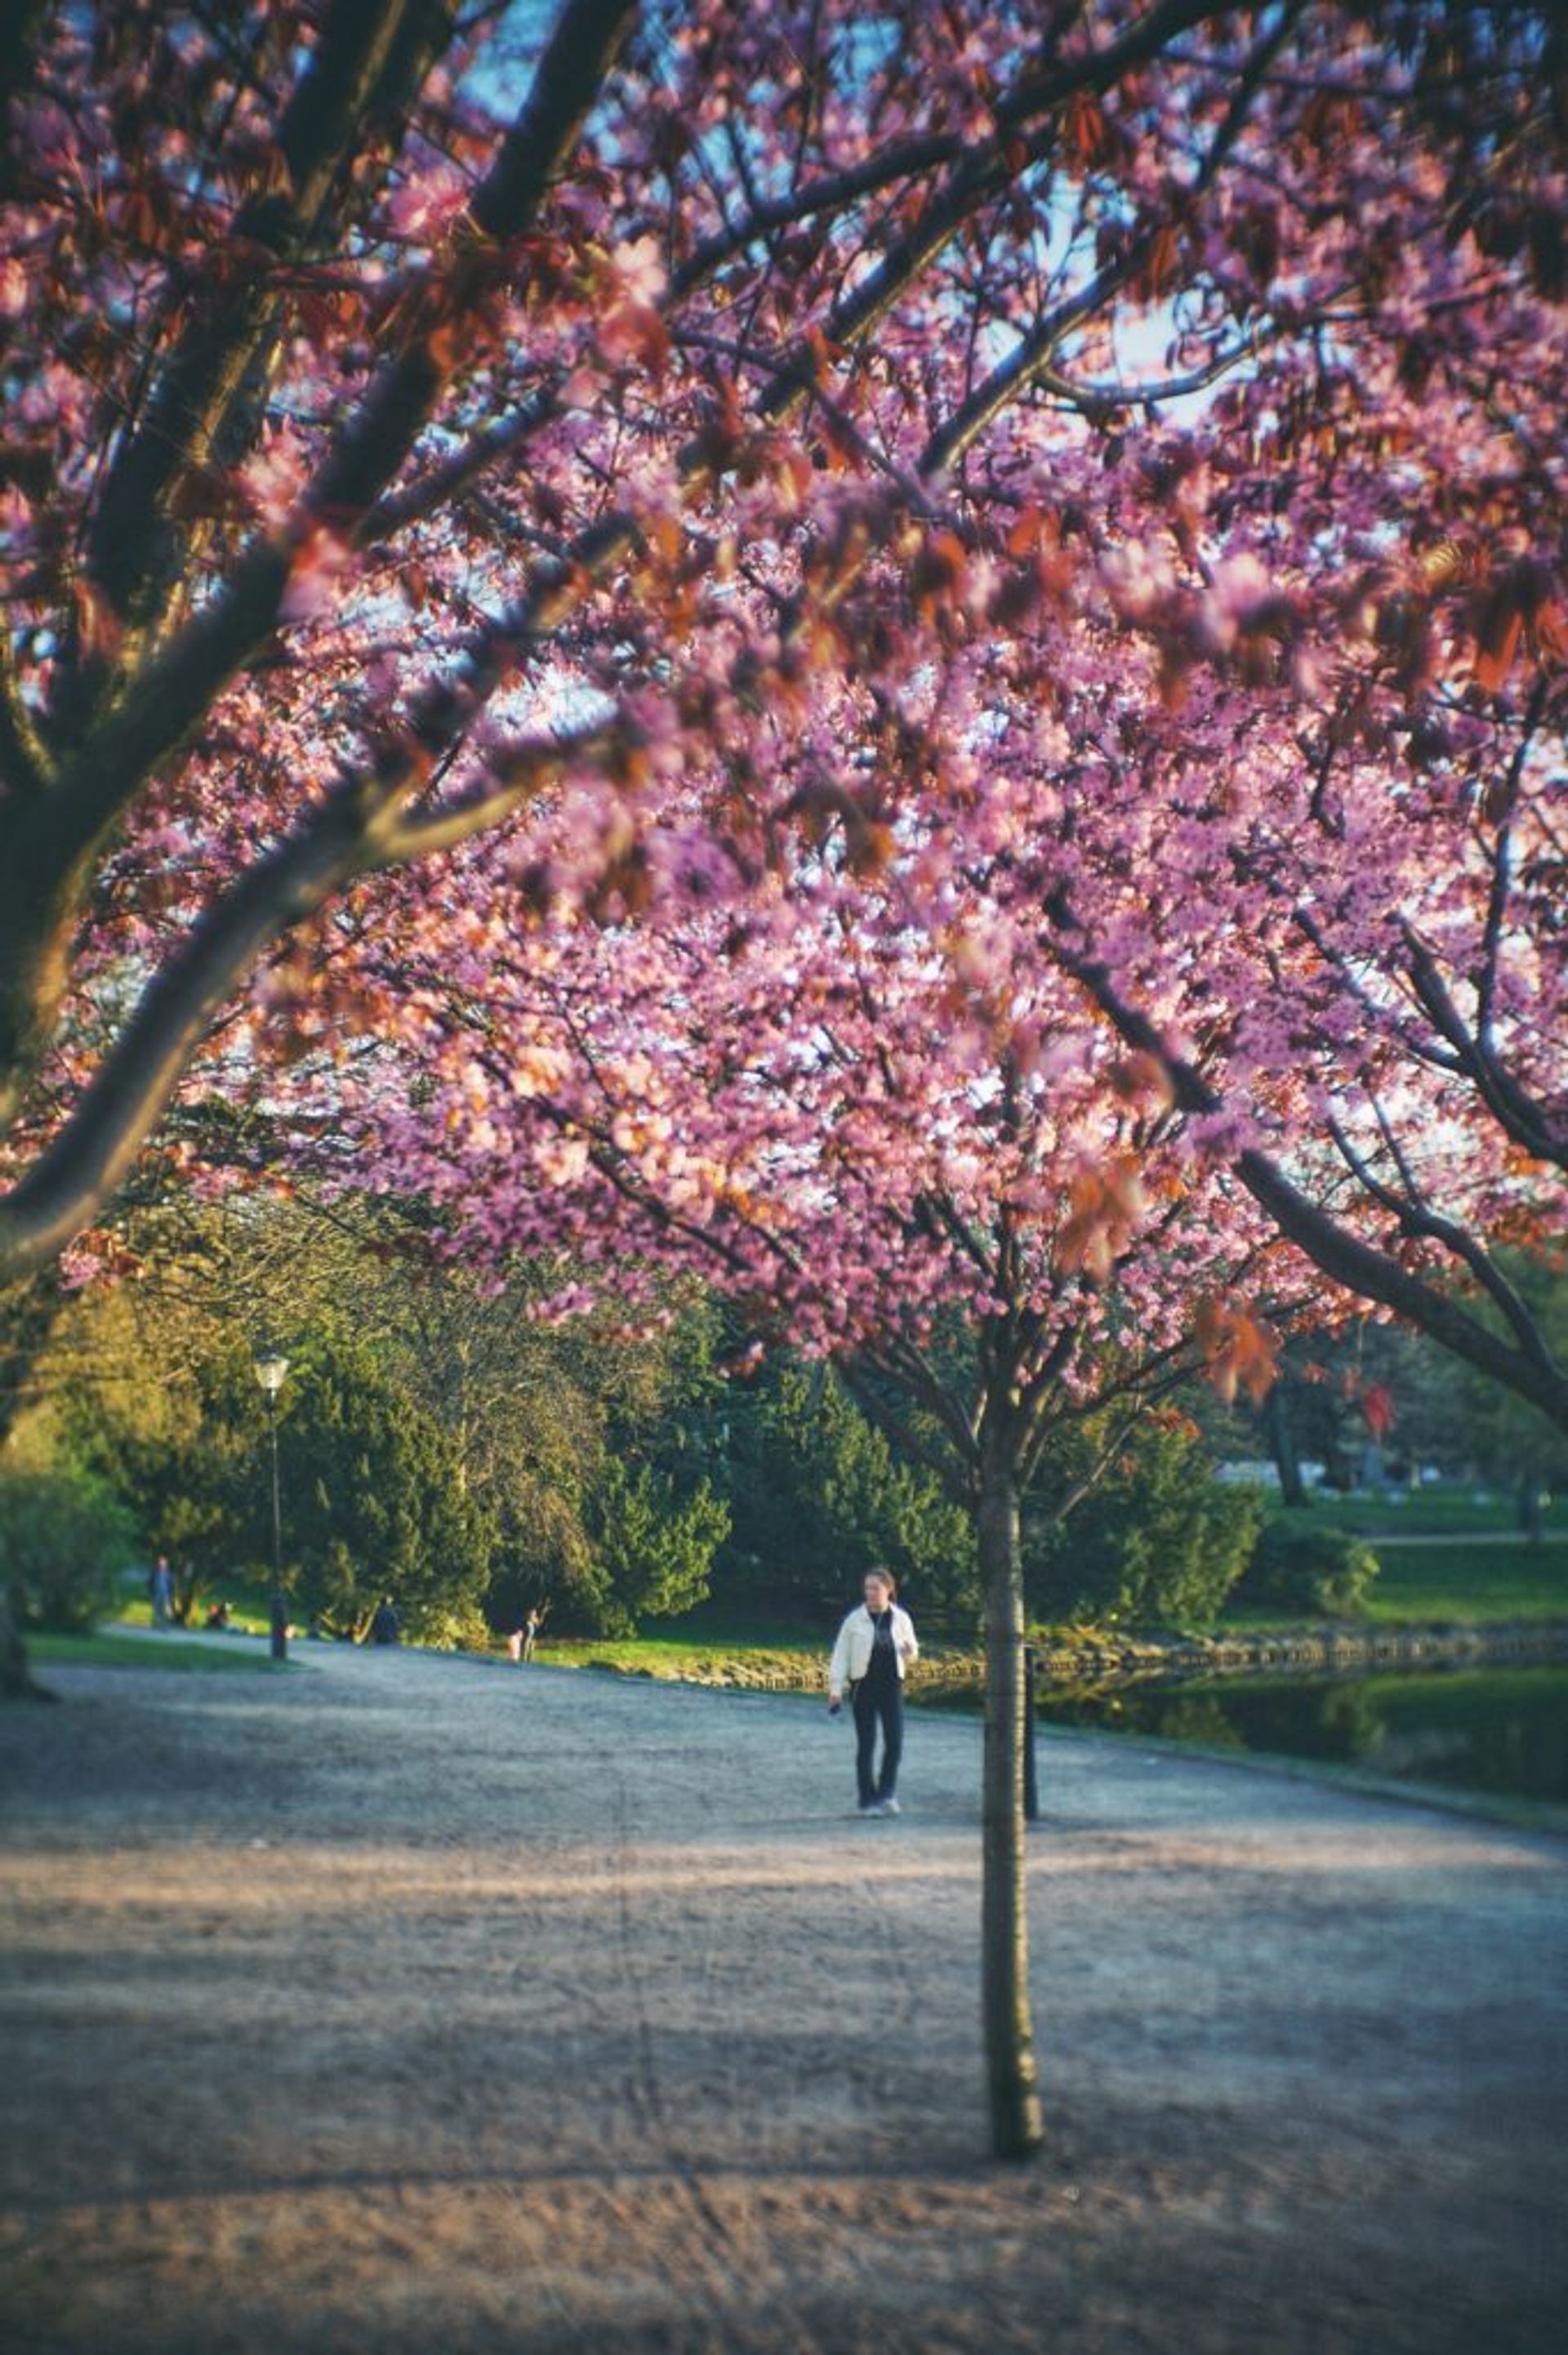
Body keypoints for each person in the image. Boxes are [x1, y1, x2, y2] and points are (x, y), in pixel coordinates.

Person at [827, 1568, 919, 1817]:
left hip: (891, 1686)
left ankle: (886, 1794)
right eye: (867, 1588)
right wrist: (836, 1689)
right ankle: (868, 1800)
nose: (869, 1593)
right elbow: (840, 1655)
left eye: (875, 1588)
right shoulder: (854, 1620)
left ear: (888, 1589)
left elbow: (913, 1653)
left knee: (895, 1742)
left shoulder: (901, 1618)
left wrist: (910, 1652)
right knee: (866, 1745)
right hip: (863, 1686)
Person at [149, 1555, 175, 1627]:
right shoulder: (154, 1572)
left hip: (165, 1594)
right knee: (156, 1609)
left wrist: (171, 1595)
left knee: (166, 1610)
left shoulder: (168, 1573)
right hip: (156, 1594)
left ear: (166, 1564)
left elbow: (171, 1585)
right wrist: (151, 1593)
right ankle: (156, 1624)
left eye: (163, 1563)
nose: (162, 1564)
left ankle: (165, 1625)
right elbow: (150, 1583)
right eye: (160, 1563)